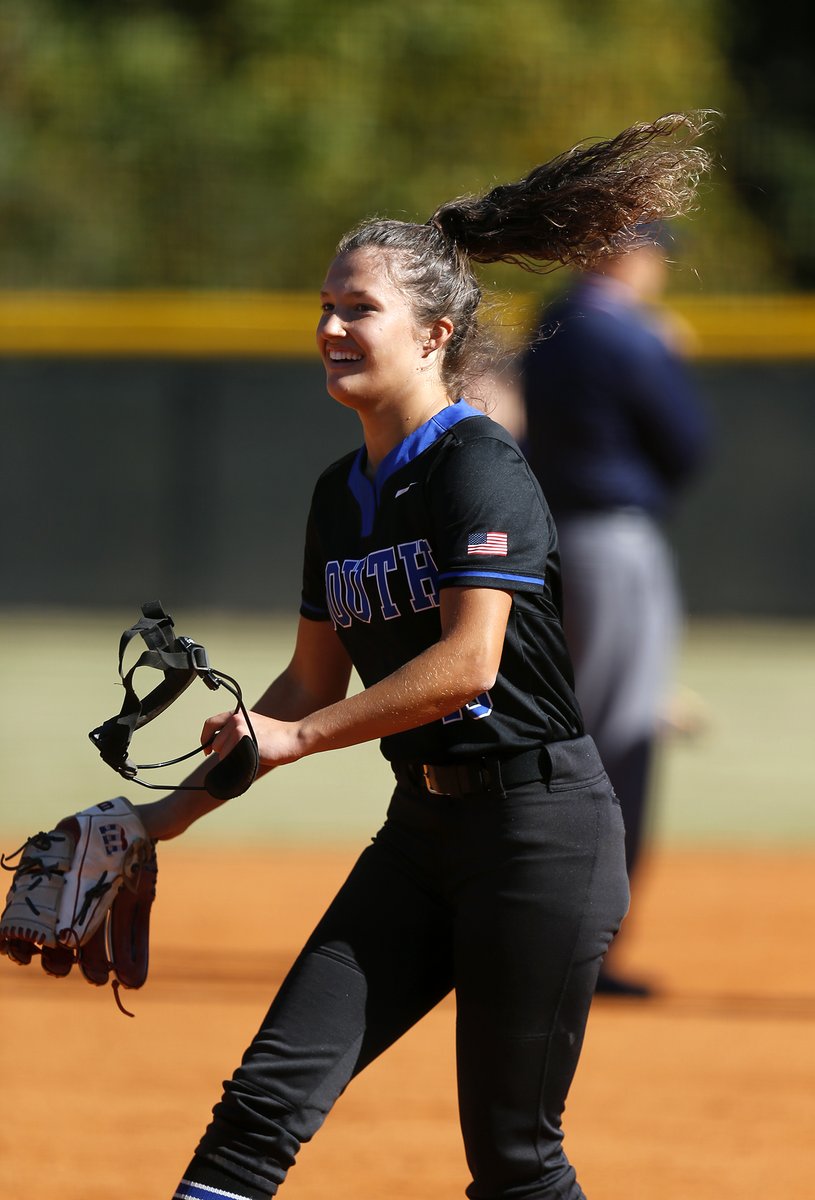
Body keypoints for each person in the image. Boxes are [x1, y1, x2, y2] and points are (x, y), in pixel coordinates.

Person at [132, 112, 712, 1200]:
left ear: (436, 332)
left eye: (361, 309)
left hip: (539, 837)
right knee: (260, 1109)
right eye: (325, 307)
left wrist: (299, 736)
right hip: (423, 834)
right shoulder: (337, 495)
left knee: (513, 1162)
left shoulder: (477, 468)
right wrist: (150, 824)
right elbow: (306, 684)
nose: (334, 327)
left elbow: (467, 666)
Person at [521, 231, 711, 997]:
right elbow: (685, 443)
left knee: (582, 726)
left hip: (556, 536)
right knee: (614, 738)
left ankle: (550, 932)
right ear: (631, 257)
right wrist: (658, 349)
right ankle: (574, 944)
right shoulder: (620, 332)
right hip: (611, 536)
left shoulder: (550, 322)